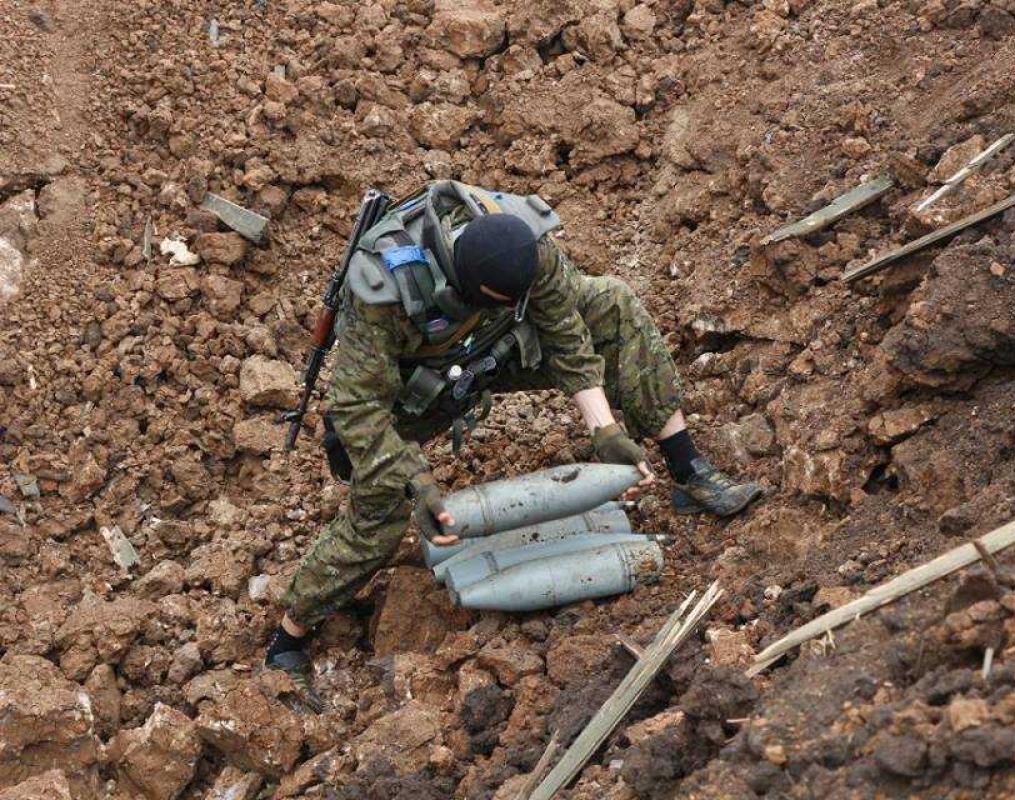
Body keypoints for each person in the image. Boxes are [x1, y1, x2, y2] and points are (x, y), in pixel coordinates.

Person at [264, 181, 760, 709]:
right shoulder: (386, 292)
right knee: (381, 511)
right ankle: (288, 640)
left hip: (496, 351)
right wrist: (415, 479)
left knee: (612, 302)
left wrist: (605, 429)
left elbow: (564, 331)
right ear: (479, 289)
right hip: (411, 395)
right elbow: (358, 406)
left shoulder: (528, 247)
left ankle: (688, 468)